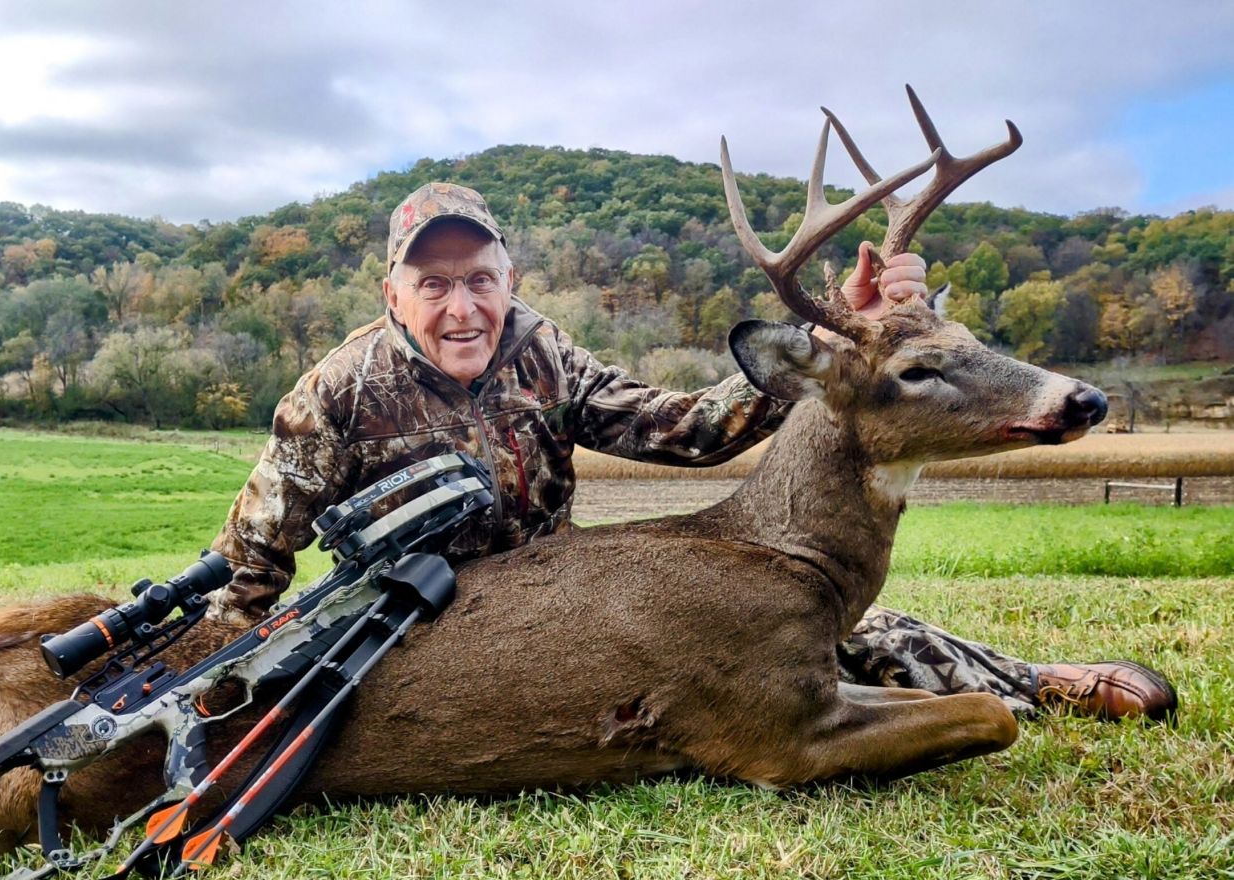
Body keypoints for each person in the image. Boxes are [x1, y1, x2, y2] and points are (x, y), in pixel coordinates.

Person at [208, 182, 1176, 722]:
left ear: (509, 279)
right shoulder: (335, 392)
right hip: (416, 632)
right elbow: (249, 558)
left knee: (807, 628)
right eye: (432, 283)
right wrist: (224, 670)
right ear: (392, 293)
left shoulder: (539, 354)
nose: (459, 306)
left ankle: (1035, 681)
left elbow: (683, 429)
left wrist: (847, 346)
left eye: (478, 280)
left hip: (562, 611)